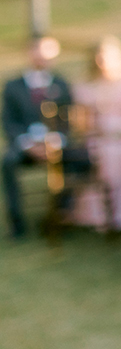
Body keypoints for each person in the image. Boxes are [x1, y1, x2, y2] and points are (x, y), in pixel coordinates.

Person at [72, 36, 121, 232]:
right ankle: (105, 215)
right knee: (106, 154)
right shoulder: (85, 85)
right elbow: (82, 124)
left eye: (107, 56)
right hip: (98, 137)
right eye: (99, 57)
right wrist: (100, 131)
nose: (103, 61)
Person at [3, 36, 74, 238]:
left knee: (80, 159)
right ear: (29, 52)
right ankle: (17, 222)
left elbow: (67, 120)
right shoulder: (13, 86)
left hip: (55, 145)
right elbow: (9, 122)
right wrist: (28, 145)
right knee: (8, 162)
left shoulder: (61, 84)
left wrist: (54, 143)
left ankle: (60, 215)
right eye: (39, 52)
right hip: (26, 145)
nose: (43, 58)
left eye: (48, 53)